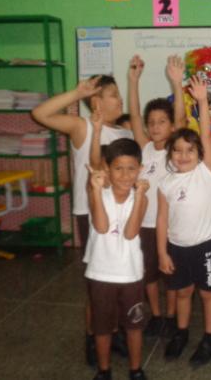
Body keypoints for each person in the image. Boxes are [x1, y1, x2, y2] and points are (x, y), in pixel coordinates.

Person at [32, 74, 131, 365]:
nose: (120, 99)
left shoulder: (124, 134)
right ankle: (92, 335)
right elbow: (40, 113)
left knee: (119, 278)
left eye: (119, 95)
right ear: (96, 101)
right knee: (98, 281)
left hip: (119, 215)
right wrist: (77, 93)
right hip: (91, 214)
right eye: (114, 95)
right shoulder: (82, 126)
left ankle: (113, 332)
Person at [157, 76, 211, 366]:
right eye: (177, 150)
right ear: (170, 154)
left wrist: (203, 102)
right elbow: (161, 220)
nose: (183, 155)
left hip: (205, 246)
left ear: (200, 155)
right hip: (177, 248)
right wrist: (161, 252)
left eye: (190, 150)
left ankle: (209, 338)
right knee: (182, 293)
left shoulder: (206, 172)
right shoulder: (166, 182)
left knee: (208, 295)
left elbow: (206, 135)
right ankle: (181, 333)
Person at [127, 54, 186, 338]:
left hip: (172, 227)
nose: (155, 126)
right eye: (152, 122)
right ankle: (158, 315)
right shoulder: (145, 148)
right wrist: (133, 81)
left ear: (171, 126)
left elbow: (182, 118)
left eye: (162, 121)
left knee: (171, 276)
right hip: (145, 226)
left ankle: (173, 316)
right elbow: (135, 116)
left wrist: (177, 84)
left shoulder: (176, 151)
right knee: (149, 275)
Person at [85, 138, 149, 380]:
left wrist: (140, 194)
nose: (125, 175)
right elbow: (101, 227)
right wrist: (96, 190)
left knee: (134, 325)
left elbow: (131, 232)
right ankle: (104, 370)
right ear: (107, 169)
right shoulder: (98, 193)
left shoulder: (141, 197)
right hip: (100, 273)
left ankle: (135, 368)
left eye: (131, 168)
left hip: (131, 273)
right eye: (118, 168)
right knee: (101, 327)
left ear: (140, 170)